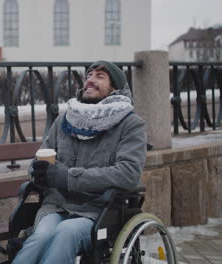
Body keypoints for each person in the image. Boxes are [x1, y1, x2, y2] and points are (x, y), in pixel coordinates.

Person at [12, 61, 147, 263]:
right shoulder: (65, 120)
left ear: (115, 88)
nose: (90, 80)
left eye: (100, 76)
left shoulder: (130, 124)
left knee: (66, 233)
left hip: (98, 210)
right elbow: (37, 160)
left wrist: (67, 177)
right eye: (89, 75)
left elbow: (128, 174)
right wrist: (38, 172)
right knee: (40, 237)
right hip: (56, 205)